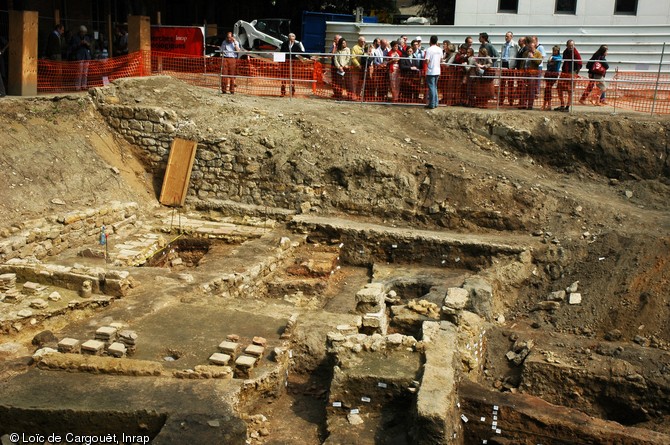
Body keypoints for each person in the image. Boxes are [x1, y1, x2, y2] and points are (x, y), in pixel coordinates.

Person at [556, 39, 582, 111]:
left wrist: (575, 73)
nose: (571, 47)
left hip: (571, 73)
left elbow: (580, 64)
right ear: (566, 46)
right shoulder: (565, 52)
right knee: (559, 88)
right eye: (569, 46)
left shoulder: (575, 53)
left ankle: (567, 106)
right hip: (564, 72)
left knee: (570, 90)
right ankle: (562, 104)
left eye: (572, 46)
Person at [279, 33, 305, 97]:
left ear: (294, 38)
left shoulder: (296, 46)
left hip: (293, 64)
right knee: (283, 79)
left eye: (293, 36)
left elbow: (302, 53)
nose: (291, 38)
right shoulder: (284, 44)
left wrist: (310, 57)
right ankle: (283, 92)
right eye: (290, 37)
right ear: (288, 38)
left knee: (292, 79)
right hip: (284, 64)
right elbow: (281, 53)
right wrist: (280, 63)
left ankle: (292, 92)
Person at [519, 40, 542, 109]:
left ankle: (530, 105)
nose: (530, 49)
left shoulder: (538, 53)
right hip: (525, 72)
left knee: (531, 89)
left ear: (534, 46)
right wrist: (521, 70)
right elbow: (523, 62)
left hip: (532, 74)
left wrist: (532, 58)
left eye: (531, 47)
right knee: (523, 89)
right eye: (529, 47)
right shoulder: (526, 53)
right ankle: (523, 104)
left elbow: (539, 62)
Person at [498, 31, 519, 106]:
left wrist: (515, 65)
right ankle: (501, 100)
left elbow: (517, 55)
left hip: (510, 65)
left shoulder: (515, 45)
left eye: (508, 36)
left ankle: (510, 100)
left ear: (511, 37)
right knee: (502, 83)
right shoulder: (503, 45)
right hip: (504, 64)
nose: (506, 37)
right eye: (505, 36)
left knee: (510, 84)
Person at [70, 25, 92, 91]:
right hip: (79, 56)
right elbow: (72, 47)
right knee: (79, 73)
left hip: (86, 56)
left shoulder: (87, 37)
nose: (84, 33)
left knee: (85, 73)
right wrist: (80, 43)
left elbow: (90, 46)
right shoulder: (75, 37)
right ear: (80, 32)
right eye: (83, 32)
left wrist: (87, 43)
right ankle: (77, 86)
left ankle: (84, 86)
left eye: (85, 32)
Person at [542, 45, 562, 110]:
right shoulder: (552, 56)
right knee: (547, 89)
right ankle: (546, 104)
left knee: (548, 88)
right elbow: (549, 64)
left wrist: (551, 59)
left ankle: (548, 105)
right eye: (553, 50)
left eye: (556, 51)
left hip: (554, 74)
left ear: (558, 51)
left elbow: (557, 61)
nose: (554, 52)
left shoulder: (558, 57)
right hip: (548, 74)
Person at [424, 35, 441, 109]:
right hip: (437, 70)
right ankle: (436, 103)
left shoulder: (429, 49)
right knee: (435, 87)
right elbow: (441, 59)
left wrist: (427, 62)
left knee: (431, 87)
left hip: (431, 70)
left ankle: (432, 103)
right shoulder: (439, 49)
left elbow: (427, 60)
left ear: (430, 41)